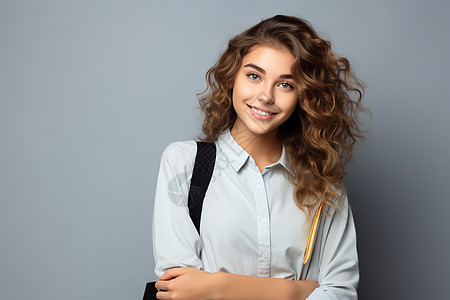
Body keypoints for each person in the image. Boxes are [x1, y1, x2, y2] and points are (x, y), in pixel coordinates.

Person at [152, 15, 365, 300]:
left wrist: (216, 286)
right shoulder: (184, 163)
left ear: (304, 96)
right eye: (254, 76)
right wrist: (295, 291)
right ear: (232, 78)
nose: (266, 96)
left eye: (285, 84)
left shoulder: (323, 181)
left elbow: (339, 293)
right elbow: (179, 290)